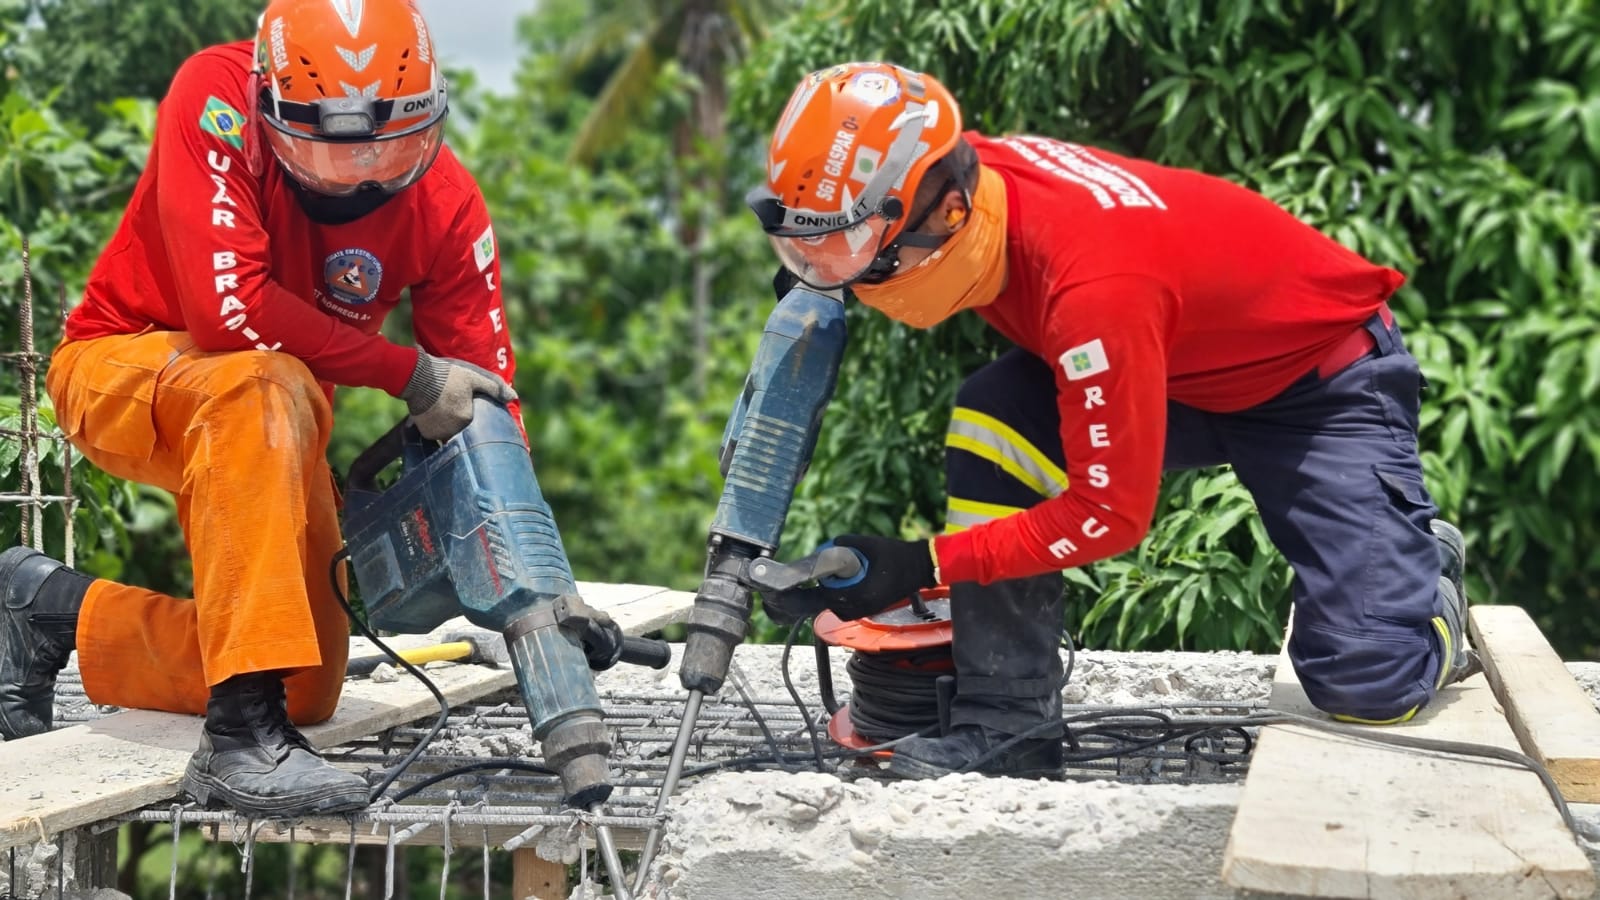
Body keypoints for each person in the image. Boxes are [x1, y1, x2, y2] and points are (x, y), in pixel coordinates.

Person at [751, 62, 1476, 780]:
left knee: (1371, 686)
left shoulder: (1093, 288)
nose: (837, 274)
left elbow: (1109, 517)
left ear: (946, 213)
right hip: (1174, 359)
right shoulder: (965, 176)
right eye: (812, 248)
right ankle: (1008, 728)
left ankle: (1424, 574)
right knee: (997, 418)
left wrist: (922, 564)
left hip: (1319, 385)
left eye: (851, 251)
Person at [0, 0, 517, 818]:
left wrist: (532, 595)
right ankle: (239, 742)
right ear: (270, 103)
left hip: (280, 424)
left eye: (390, 143)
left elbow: (488, 411)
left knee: (308, 681)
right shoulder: (213, 95)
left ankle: (50, 609)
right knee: (261, 377)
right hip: (123, 365)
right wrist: (407, 374)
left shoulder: (448, 205)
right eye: (327, 146)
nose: (363, 173)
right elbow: (226, 313)